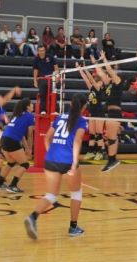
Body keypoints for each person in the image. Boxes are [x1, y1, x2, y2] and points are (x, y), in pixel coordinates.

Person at [24, 94, 89, 240]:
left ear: (70, 104)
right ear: (84, 107)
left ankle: (33, 217)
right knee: (76, 193)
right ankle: (73, 227)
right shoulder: (82, 121)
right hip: (67, 160)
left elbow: (47, 138)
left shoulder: (59, 118)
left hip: (51, 159)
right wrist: (73, 163)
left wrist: (51, 154)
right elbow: (77, 141)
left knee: (51, 195)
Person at [0, 98, 35, 193]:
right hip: (11, 140)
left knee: (11, 162)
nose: (33, 106)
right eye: (31, 104)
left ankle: (0, 183)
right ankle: (13, 185)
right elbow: (30, 134)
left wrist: (27, 147)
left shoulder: (17, 115)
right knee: (25, 164)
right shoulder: (29, 116)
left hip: (4, 139)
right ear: (27, 106)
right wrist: (29, 148)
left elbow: (22, 136)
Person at [92, 51, 122, 172]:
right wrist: (95, 63)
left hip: (115, 113)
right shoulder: (109, 84)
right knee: (109, 137)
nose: (107, 76)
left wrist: (104, 59)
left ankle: (112, 159)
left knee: (112, 137)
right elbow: (101, 73)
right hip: (109, 113)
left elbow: (109, 71)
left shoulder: (118, 82)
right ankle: (112, 159)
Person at [77, 61, 105, 161]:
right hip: (92, 113)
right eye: (97, 81)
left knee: (98, 133)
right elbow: (86, 79)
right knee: (92, 133)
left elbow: (91, 80)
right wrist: (80, 69)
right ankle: (91, 151)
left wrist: (86, 68)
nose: (97, 82)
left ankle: (101, 151)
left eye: (99, 82)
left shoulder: (99, 89)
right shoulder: (92, 88)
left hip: (99, 113)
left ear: (101, 83)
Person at [33, 46, 59, 115]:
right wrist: (34, 81)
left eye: (43, 50)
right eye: (40, 51)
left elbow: (56, 68)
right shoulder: (36, 59)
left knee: (53, 92)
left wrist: (57, 77)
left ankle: (55, 109)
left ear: (45, 51)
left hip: (51, 78)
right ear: (38, 51)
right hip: (42, 78)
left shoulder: (50, 57)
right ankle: (43, 110)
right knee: (42, 91)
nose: (42, 52)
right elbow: (35, 70)